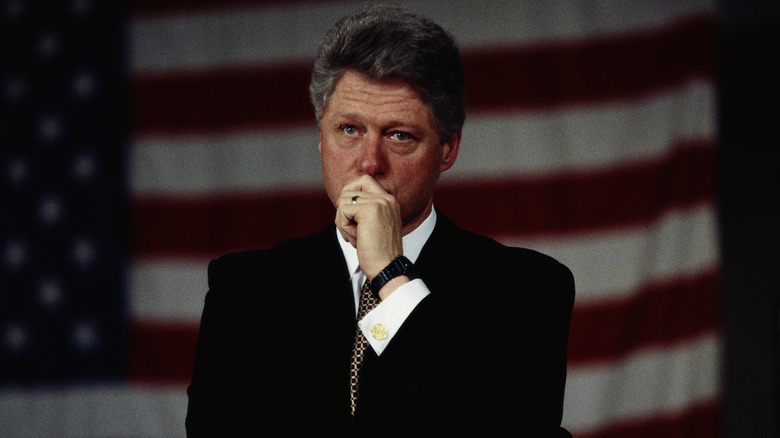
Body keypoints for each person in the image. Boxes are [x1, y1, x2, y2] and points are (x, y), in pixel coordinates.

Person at [185, 4, 574, 437]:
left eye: (399, 135)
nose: (369, 163)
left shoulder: (528, 288)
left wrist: (391, 274)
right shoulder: (245, 291)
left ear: (448, 149)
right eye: (349, 130)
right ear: (320, 138)